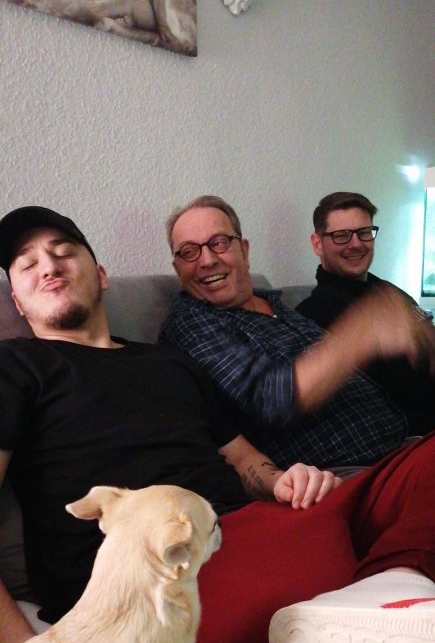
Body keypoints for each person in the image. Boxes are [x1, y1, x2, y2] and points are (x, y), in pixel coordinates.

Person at [1, 206, 435, 643]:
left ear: (101, 273)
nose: (49, 266)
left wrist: (282, 479)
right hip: (165, 576)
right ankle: (386, 609)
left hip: (261, 522)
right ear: (16, 297)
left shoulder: (167, 363)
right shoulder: (14, 367)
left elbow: (242, 459)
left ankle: (393, 593)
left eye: (64, 251)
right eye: (27, 263)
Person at [161, 194, 435, 472]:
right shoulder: (192, 322)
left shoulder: (277, 304)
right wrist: (362, 333)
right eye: (189, 251)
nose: (207, 260)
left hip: (402, 446)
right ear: (177, 268)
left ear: (244, 250)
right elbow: (269, 399)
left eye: (219, 243)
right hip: (347, 471)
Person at [295, 191, 435, 434]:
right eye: (341, 235)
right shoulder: (312, 314)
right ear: (317, 243)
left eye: (364, 232)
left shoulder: (387, 289)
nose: (356, 244)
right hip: (413, 433)